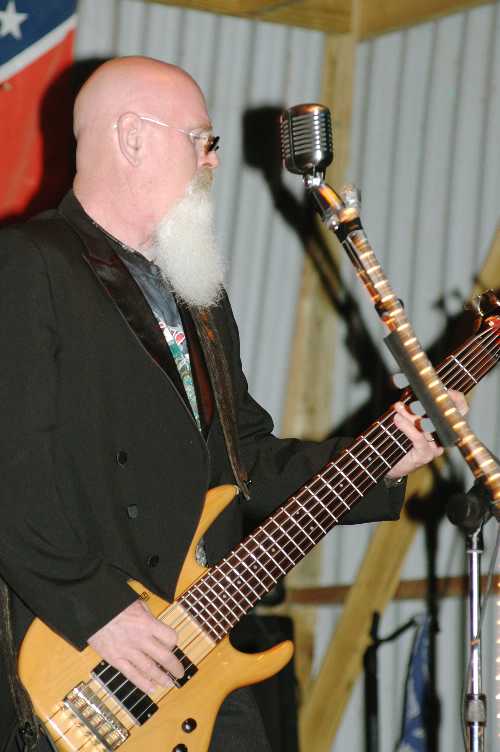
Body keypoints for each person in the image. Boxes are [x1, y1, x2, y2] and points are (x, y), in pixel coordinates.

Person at [0, 56, 464, 752]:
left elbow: (250, 464)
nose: (212, 159)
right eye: (200, 138)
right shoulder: (29, 262)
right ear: (132, 137)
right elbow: (10, 469)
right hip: (84, 659)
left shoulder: (201, 298)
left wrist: (387, 457)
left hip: (196, 654)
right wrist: (99, 611)